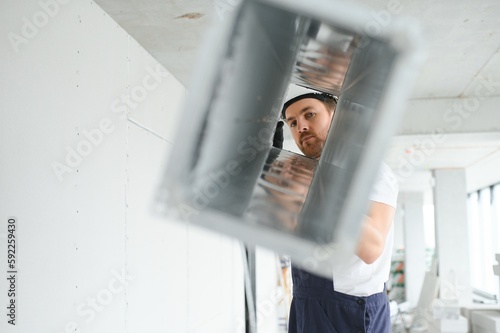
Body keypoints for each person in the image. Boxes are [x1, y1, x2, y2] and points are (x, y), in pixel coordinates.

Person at [279, 91, 398, 333]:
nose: (300, 126)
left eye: (309, 115)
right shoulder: (308, 177)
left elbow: (371, 249)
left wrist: (315, 185)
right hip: (306, 299)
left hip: (347, 309)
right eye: (292, 122)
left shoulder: (370, 170)